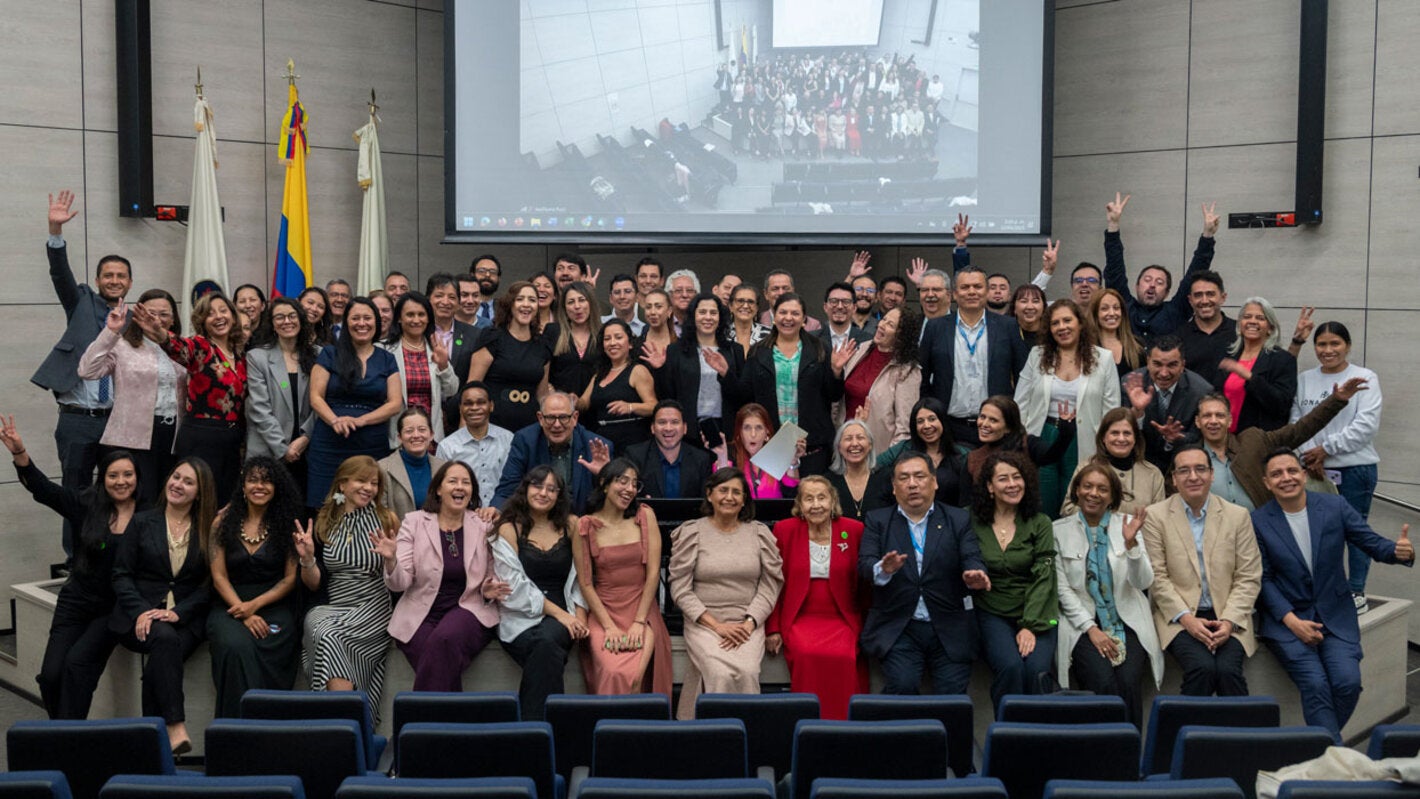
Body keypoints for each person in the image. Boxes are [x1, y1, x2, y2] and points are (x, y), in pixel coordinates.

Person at [1251, 448, 1414, 740]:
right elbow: (1264, 580)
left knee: (1347, 682)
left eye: (1291, 471)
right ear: (1266, 482)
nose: (1285, 478)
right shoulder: (1258, 521)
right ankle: (1329, 761)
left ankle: (1319, 752)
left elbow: (1371, 542)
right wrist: (1291, 621)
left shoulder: (1334, 507)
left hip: (1335, 615)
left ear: (1303, 474)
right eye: (1276, 474)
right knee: (1314, 684)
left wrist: (1399, 552)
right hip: (1288, 621)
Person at [3, 416, 131, 719]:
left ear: (137, 478)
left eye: (128, 474)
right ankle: (64, 732)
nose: (121, 481)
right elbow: (44, 490)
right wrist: (20, 453)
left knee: (78, 670)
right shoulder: (86, 504)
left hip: (112, 608)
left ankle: (67, 741)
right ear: (104, 478)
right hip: (76, 601)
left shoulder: (148, 516)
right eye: (113, 475)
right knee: (50, 676)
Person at [34, 190, 133, 559]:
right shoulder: (81, 302)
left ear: (129, 283)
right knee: (74, 492)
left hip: (116, 421)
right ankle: (77, 560)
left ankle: (113, 555)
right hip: (77, 420)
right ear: (98, 279)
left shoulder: (134, 321)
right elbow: (60, 273)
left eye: (121, 275)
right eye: (107, 274)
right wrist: (55, 231)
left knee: (119, 491)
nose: (114, 279)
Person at [859, 451, 992, 694]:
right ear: (893, 486)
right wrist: (882, 569)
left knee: (952, 694)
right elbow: (865, 564)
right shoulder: (877, 520)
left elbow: (971, 555)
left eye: (919, 476)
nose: (912, 484)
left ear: (934, 481)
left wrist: (976, 574)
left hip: (949, 624)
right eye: (904, 478)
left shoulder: (957, 518)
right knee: (902, 685)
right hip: (900, 625)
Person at [110, 458, 217, 754]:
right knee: (165, 640)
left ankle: (151, 748)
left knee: (162, 655)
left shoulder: (208, 530)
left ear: (200, 492)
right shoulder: (143, 521)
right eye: (175, 477)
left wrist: (178, 612)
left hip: (186, 619)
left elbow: (210, 584)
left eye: (188, 482)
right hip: (138, 617)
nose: (177, 485)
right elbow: (121, 575)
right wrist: (142, 611)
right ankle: (174, 725)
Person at [1141, 446, 1262, 697]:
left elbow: (1248, 577)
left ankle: (1243, 735)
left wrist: (1229, 621)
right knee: (1202, 667)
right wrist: (1187, 619)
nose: (1193, 476)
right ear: (1173, 479)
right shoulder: (1156, 517)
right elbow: (1157, 577)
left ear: (1212, 474)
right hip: (1178, 616)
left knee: (1228, 670)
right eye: (1183, 471)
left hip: (1229, 612)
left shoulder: (1237, 516)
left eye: (1200, 469)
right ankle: (1187, 735)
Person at [377, 460, 503, 691]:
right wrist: (391, 559)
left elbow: (492, 573)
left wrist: (488, 588)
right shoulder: (414, 522)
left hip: (468, 609)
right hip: (420, 613)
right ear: (438, 489)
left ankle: (417, 723)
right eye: (453, 481)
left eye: (466, 482)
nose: (460, 487)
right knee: (437, 657)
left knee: (444, 639)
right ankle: (449, 724)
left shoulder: (483, 526)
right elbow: (399, 584)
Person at [670, 467, 784, 718]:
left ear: (744, 499)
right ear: (710, 494)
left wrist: (750, 621)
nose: (729, 497)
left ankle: (744, 737)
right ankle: (717, 739)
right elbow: (680, 588)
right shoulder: (692, 532)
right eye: (723, 490)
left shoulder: (759, 533)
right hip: (705, 624)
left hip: (747, 625)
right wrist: (716, 626)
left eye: (736, 492)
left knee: (747, 672)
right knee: (718, 672)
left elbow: (770, 584)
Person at [1054, 461, 1161, 727]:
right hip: (1083, 623)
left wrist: (1132, 545)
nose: (1094, 493)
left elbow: (1144, 580)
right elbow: (1063, 590)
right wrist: (1091, 629)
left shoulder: (1127, 524)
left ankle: (1131, 754)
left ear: (1112, 496)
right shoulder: (1058, 530)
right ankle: (1102, 755)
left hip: (1126, 620)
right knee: (1101, 681)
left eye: (1102, 489)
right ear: (1077, 490)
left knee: (1127, 681)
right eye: (1087, 486)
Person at [294, 455, 400, 715]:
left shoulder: (387, 520)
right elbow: (314, 583)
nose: (369, 488)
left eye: (374, 483)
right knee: (316, 623)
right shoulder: (323, 521)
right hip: (335, 605)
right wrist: (307, 559)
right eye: (361, 481)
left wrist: (391, 559)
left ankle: (337, 718)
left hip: (373, 606)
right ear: (342, 484)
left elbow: (400, 579)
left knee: (330, 636)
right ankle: (346, 717)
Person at [1291, 322, 1382, 611]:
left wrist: (1326, 450)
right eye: (1321, 345)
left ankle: (1356, 591)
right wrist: (1308, 455)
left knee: (1355, 533)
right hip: (1311, 469)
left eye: (1335, 344)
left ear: (1348, 346)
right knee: (1318, 534)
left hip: (1354, 469)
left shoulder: (1364, 377)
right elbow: (1296, 420)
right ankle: (1325, 590)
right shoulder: (1305, 378)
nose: (1327, 350)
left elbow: (1365, 426)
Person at [206, 456, 302, 719]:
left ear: (277, 487)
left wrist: (255, 606)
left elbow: (290, 579)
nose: (260, 486)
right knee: (235, 646)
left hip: (273, 604)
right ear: (243, 485)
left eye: (267, 481)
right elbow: (219, 577)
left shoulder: (288, 524)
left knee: (274, 639)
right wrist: (245, 612)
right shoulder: (221, 523)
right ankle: (237, 730)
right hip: (229, 605)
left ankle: (270, 728)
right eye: (253, 480)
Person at [491, 467, 588, 720]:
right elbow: (513, 586)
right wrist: (562, 617)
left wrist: (579, 617)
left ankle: (530, 735)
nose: (543, 493)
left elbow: (582, 577)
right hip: (519, 615)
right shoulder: (509, 528)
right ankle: (548, 734)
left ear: (559, 495)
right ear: (525, 489)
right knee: (545, 649)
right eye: (537, 486)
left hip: (563, 611)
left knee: (546, 645)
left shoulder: (572, 525)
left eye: (551, 489)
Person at [767, 475, 866, 720]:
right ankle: (808, 723)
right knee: (806, 654)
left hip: (842, 617)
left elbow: (865, 585)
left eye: (822, 497)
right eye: (808, 499)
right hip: (800, 617)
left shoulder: (853, 531)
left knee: (844, 656)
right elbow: (772, 582)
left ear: (833, 501)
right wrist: (773, 628)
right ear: (799, 505)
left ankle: (843, 725)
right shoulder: (785, 530)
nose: (816, 504)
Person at [574, 458, 672, 696]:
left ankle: (639, 731)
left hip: (642, 608)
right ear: (605, 485)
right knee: (612, 670)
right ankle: (608, 730)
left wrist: (639, 622)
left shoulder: (644, 516)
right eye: (622, 481)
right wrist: (609, 627)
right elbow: (586, 583)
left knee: (635, 676)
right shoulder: (585, 526)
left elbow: (652, 575)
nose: (629, 489)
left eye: (634, 484)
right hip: (604, 610)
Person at [135, 293, 247, 501]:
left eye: (223, 311)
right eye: (210, 314)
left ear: (233, 316)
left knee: (226, 501)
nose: (219, 317)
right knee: (199, 501)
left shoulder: (239, 354)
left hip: (232, 440)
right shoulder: (201, 346)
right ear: (202, 321)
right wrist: (160, 333)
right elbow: (177, 347)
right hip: (202, 436)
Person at [78, 290, 184, 506]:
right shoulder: (122, 346)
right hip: (132, 439)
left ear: (173, 318)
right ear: (137, 316)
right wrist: (110, 332)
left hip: (174, 437)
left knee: (166, 502)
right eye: (150, 313)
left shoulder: (183, 349)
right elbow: (87, 370)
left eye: (164, 314)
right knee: (137, 504)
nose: (156, 319)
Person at [1015, 299, 1121, 515]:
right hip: (1043, 437)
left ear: (1080, 323)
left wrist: (1104, 448)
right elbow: (1020, 402)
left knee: (1074, 500)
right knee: (1043, 500)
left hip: (1083, 439)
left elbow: (1112, 410)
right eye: (1055, 323)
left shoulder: (1103, 358)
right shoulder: (1037, 355)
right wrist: (1024, 438)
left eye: (1067, 320)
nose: (1062, 327)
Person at [970, 451, 1058, 707]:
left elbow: (1044, 576)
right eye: (1003, 479)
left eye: (1017, 477)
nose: (1012, 484)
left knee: (1037, 670)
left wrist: (1030, 625)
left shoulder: (1040, 522)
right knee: (1010, 668)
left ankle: (1039, 738)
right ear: (989, 486)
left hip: (1039, 611)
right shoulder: (970, 520)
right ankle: (1008, 737)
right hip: (991, 609)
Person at [1193, 383, 1368, 511]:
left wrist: (1336, 401)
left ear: (1229, 420)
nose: (1214, 421)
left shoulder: (1253, 441)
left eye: (1220, 415)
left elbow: (1300, 430)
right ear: (1198, 422)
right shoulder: (1190, 458)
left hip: (1258, 533)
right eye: (1207, 416)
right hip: (1214, 539)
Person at [741, 293, 854, 477]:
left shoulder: (820, 348)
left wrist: (836, 371)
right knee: (777, 501)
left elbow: (833, 395)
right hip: (771, 444)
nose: (788, 318)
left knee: (812, 499)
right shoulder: (758, 352)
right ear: (774, 317)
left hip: (812, 444)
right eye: (782, 312)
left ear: (803, 320)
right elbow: (746, 396)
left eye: (795, 313)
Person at [306, 298, 403, 503]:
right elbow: (315, 397)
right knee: (326, 504)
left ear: (376, 322)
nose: (362, 323)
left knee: (368, 504)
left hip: (371, 443)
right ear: (346, 322)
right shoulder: (329, 354)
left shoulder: (387, 359)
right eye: (355, 318)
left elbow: (395, 403)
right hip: (329, 442)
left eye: (367, 318)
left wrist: (362, 420)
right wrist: (335, 420)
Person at [920, 267, 1030, 446]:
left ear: (986, 291)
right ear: (954, 294)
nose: (971, 292)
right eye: (965, 287)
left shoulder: (1008, 326)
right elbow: (922, 378)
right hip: (949, 427)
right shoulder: (935, 328)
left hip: (997, 428)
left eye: (978, 287)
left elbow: (1023, 377)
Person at [1103, 194, 1220, 343]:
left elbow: (1194, 275)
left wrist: (1208, 235)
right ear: (1137, 286)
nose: (1152, 285)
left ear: (1166, 293)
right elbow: (1115, 271)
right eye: (1147, 280)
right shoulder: (1123, 307)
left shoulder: (1175, 311)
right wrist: (1113, 225)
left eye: (1159, 282)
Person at [245, 297, 319, 501]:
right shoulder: (257, 357)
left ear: (301, 320)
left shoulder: (318, 355)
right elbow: (259, 408)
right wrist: (283, 448)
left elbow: (322, 403)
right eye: (280, 317)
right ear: (273, 324)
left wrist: (304, 439)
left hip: (308, 450)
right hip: (269, 449)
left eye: (292, 316)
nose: (287, 321)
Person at [644, 292, 742, 443]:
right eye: (702, 312)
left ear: (720, 318)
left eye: (713, 313)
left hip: (726, 428)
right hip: (688, 430)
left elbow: (742, 396)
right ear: (693, 316)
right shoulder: (675, 350)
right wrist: (660, 369)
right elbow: (667, 396)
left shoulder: (734, 350)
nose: (708, 317)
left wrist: (725, 373)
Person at [493, 392, 612, 514]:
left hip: (580, 521)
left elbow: (609, 501)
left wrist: (604, 476)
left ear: (575, 418)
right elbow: (508, 487)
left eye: (563, 418)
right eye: (550, 418)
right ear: (540, 418)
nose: (557, 425)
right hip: (536, 520)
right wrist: (496, 509)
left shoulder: (598, 447)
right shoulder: (526, 440)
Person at [468, 281, 553, 433]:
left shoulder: (543, 345)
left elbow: (542, 395)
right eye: (520, 299)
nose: (526, 304)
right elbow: (472, 388)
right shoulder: (492, 337)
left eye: (532, 300)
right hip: (492, 427)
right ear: (510, 304)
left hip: (529, 428)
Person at [1122, 335, 1212, 473]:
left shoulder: (1201, 391)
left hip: (1180, 466)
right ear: (1148, 362)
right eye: (1157, 364)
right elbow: (1122, 432)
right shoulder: (1131, 384)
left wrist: (1177, 438)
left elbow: (1198, 436)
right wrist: (1138, 412)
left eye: (1172, 365)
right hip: (1138, 463)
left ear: (1182, 365)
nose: (1164, 373)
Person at [841, 307, 922, 459]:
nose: (882, 325)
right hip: (844, 445)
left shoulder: (907, 370)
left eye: (891, 325)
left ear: (901, 336)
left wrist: (887, 461)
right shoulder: (861, 349)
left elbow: (904, 429)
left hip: (877, 455)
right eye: (884, 319)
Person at [380, 291, 456, 449]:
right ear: (399, 318)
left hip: (430, 438)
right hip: (397, 438)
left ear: (428, 318)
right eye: (410, 314)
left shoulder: (436, 348)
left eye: (421, 314)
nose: (416, 320)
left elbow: (451, 391)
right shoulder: (384, 350)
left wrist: (443, 365)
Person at [1214, 297, 1297, 433]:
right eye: (1247, 317)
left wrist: (1250, 377)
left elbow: (1282, 405)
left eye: (1260, 318)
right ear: (1240, 324)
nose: (1252, 321)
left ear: (1270, 328)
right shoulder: (1228, 355)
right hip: (1223, 437)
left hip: (1257, 441)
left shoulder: (1282, 359)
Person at [1062, 407, 1167, 515]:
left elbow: (1159, 519)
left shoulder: (1152, 474)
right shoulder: (1086, 467)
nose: (1121, 439)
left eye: (1127, 433)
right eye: (1115, 433)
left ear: (1135, 438)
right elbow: (1068, 509)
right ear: (1103, 437)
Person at [577, 319, 657, 452]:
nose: (612, 343)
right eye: (607, 339)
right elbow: (584, 403)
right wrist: (572, 400)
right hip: (603, 442)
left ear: (630, 343)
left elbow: (654, 406)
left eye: (618, 337)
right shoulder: (599, 374)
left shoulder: (637, 371)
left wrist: (630, 407)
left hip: (632, 443)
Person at [877, 398, 971, 508]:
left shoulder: (962, 454)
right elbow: (873, 466)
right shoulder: (903, 448)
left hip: (951, 519)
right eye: (920, 421)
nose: (926, 426)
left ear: (943, 421)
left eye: (932, 419)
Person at [436, 381, 515, 509]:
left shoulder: (508, 440)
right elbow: (442, 489)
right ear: (460, 408)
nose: (474, 408)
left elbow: (514, 482)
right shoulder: (447, 446)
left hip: (502, 514)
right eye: (468, 403)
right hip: (462, 517)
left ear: (491, 406)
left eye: (481, 402)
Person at [624, 400, 714, 499]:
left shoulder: (701, 459)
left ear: (684, 428)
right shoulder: (635, 456)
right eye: (662, 422)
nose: (668, 428)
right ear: (653, 428)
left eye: (675, 422)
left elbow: (706, 502)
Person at [378, 408, 447, 520]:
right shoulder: (382, 468)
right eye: (409, 431)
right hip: (397, 536)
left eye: (422, 429)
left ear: (431, 435)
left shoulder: (444, 468)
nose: (416, 435)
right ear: (399, 437)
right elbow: (381, 515)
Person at [424, 274, 484, 399]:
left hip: (460, 408)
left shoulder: (475, 335)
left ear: (458, 303)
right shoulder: (420, 332)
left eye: (452, 297)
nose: (445, 302)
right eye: (439, 296)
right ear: (428, 299)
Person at [1174, 271, 1235, 385]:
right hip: (1193, 402)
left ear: (1223, 297)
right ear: (1190, 300)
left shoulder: (1240, 332)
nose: (1205, 301)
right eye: (1198, 295)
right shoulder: (1178, 338)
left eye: (1210, 294)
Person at [826, 419, 892, 523]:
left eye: (860, 438)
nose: (855, 443)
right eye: (848, 439)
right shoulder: (827, 482)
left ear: (870, 445)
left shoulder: (887, 477)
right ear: (839, 447)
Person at [547, 281, 602, 395]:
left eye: (582, 300)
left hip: (595, 405)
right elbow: (541, 369)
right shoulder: (553, 331)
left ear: (591, 303)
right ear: (564, 308)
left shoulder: (603, 334)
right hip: (561, 408)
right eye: (571, 302)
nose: (577, 306)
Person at [1092, 289, 1144, 384]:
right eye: (1104, 308)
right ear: (1095, 313)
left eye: (1116, 308)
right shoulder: (1087, 347)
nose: (1112, 313)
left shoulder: (1137, 346)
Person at [727, 283, 771, 359]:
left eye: (751, 302)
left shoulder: (769, 335)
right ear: (731, 306)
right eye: (740, 301)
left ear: (757, 308)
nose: (745, 306)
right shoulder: (722, 334)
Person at [666, 270, 700, 335]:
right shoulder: (661, 323)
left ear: (696, 295)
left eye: (689, 290)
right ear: (670, 295)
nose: (685, 295)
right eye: (678, 290)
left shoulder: (704, 324)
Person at [472, 255, 502, 325]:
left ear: (499, 278)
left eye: (493, 272)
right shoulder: (461, 307)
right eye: (482, 271)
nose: (487, 275)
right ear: (472, 275)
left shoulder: (504, 309)